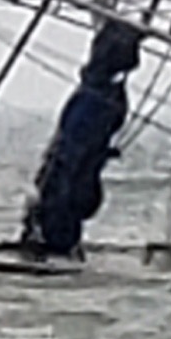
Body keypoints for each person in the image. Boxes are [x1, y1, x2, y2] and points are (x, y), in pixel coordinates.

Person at [20, 20, 143, 257]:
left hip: (73, 164)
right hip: (77, 164)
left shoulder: (100, 96)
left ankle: (57, 242)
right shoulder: (107, 93)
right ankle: (56, 240)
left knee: (60, 194)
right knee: (60, 191)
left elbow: (75, 144)